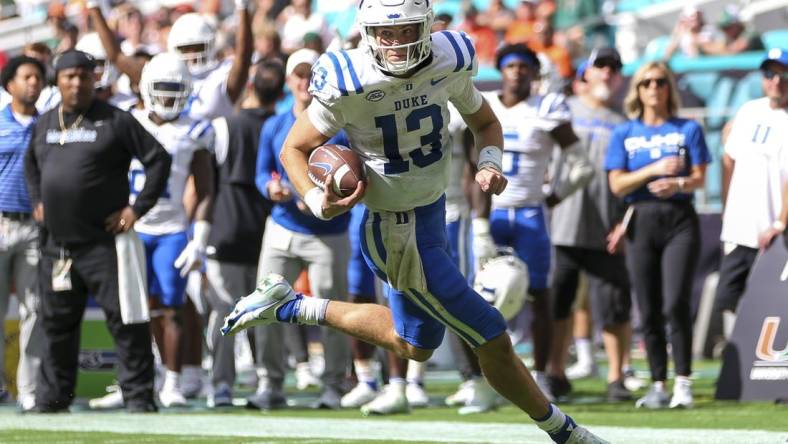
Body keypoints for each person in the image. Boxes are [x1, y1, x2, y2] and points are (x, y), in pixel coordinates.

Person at [224, 2, 606, 442]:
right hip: (394, 229)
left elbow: (485, 120)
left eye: (405, 30)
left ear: (425, 28)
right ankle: (566, 433)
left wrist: (489, 162)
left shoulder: (448, 58)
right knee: (492, 336)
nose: (395, 42)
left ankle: (288, 306)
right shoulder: (349, 78)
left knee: (415, 344)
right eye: (385, 33)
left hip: (432, 212)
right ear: (367, 33)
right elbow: (294, 147)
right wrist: (314, 198)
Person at [24, 50, 171, 413]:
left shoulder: (115, 120)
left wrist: (136, 208)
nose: (77, 83)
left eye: (84, 76)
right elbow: (30, 165)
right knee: (56, 326)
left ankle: (138, 397)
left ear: (95, 79)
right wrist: (37, 200)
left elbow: (158, 159)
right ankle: (53, 400)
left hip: (105, 245)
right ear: (57, 81)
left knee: (126, 322)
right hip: (57, 248)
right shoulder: (45, 124)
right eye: (69, 76)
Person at [476, 44, 594, 402]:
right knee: (480, 297)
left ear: (534, 72)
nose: (517, 72)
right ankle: (484, 379)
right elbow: (468, 165)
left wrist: (553, 197)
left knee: (539, 295)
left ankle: (542, 376)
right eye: (510, 65)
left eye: (524, 66)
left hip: (530, 211)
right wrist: (478, 220)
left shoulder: (546, 107)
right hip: (492, 213)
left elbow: (582, 165)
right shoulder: (483, 105)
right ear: (500, 69)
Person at [250, 48, 352, 411]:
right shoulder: (275, 124)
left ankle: (334, 384)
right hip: (281, 227)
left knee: (332, 311)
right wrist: (270, 189)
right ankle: (270, 381)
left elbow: (357, 174)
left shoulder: (341, 125)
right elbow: (261, 172)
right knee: (265, 304)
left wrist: (338, 195)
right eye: (299, 75)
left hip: (329, 232)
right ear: (289, 80)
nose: (305, 82)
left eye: (312, 75)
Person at [605, 61, 711, 409]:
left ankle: (683, 381)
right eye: (647, 82)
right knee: (647, 308)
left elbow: (700, 178)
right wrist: (653, 171)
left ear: (669, 88)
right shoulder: (625, 133)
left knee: (675, 302)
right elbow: (617, 184)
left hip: (679, 217)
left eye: (660, 82)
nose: (654, 88)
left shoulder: (688, 129)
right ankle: (658, 383)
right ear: (638, 89)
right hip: (641, 218)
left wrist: (678, 182)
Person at [128, 52, 216, 407]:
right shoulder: (128, 122)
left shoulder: (196, 129)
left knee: (174, 307)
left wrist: (200, 237)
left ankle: (175, 382)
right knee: (141, 308)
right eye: (161, 89)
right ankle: (151, 375)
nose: (166, 98)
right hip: (133, 228)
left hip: (172, 229)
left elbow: (207, 188)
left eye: (174, 90)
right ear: (146, 89)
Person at [547, 47, 634, 402]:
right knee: (560, 303)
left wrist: (625, 222)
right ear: (585, 72)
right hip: (561, 223)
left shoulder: (624, 122)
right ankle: (554, 372)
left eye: (614, 68)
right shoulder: (563, 109)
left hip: (605, 226)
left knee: (614, 304)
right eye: (601, 65)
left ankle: (617, 377)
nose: (607, 73)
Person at [203, 59, 284, 408]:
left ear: (251, 85)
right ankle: (269, 385)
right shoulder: (284, 126)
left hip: (226, 229)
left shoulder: (222, 126)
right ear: (280, 92)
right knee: (270, 314)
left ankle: (222, 384)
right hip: (270, 232)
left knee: (225, 313)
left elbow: (205, 183)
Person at [713, 49, 788, 336]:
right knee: (729, 299)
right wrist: (726, 207)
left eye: (783, 75)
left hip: (774, 233)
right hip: (740, 227)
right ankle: (738, 359)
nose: (776, 82)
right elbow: (728, 158)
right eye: (770, 74)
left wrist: (780, 223)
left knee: (773, 301)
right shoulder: (748, 111)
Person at [0, 56, 47, 411]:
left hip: (34, 228)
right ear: (9, 84)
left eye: (38, 77)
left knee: (35, 309)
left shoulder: (48, 126)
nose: (34, 82)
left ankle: (28, 390)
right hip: (0, 222)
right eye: (27, 77)